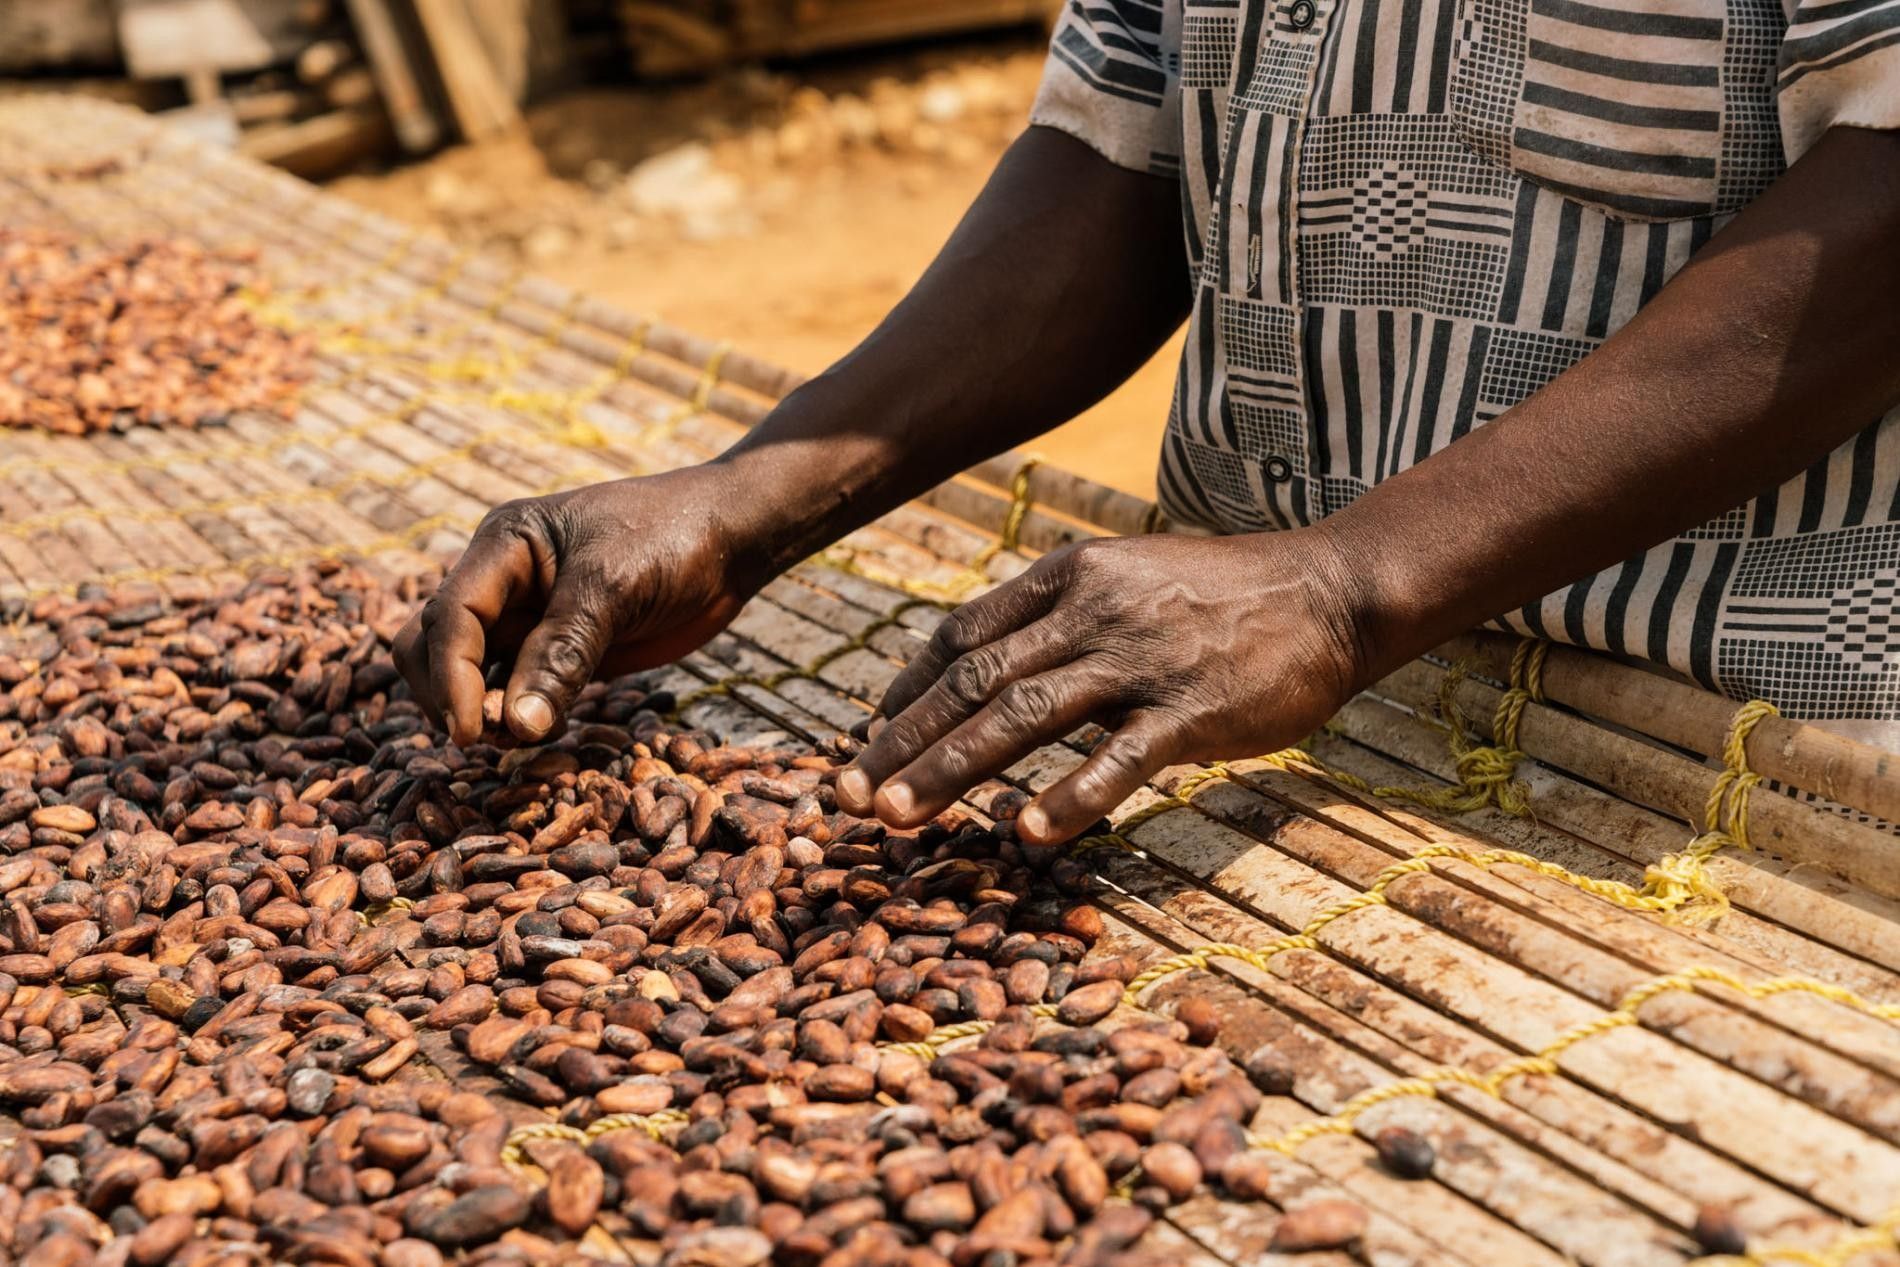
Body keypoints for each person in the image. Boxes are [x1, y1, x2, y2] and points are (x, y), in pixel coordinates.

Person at [395, 0, 1900, 845]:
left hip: (1734, 762)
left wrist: (1342, 579)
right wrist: (754, 495)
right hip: (1248, 706)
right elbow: (1128, 141)